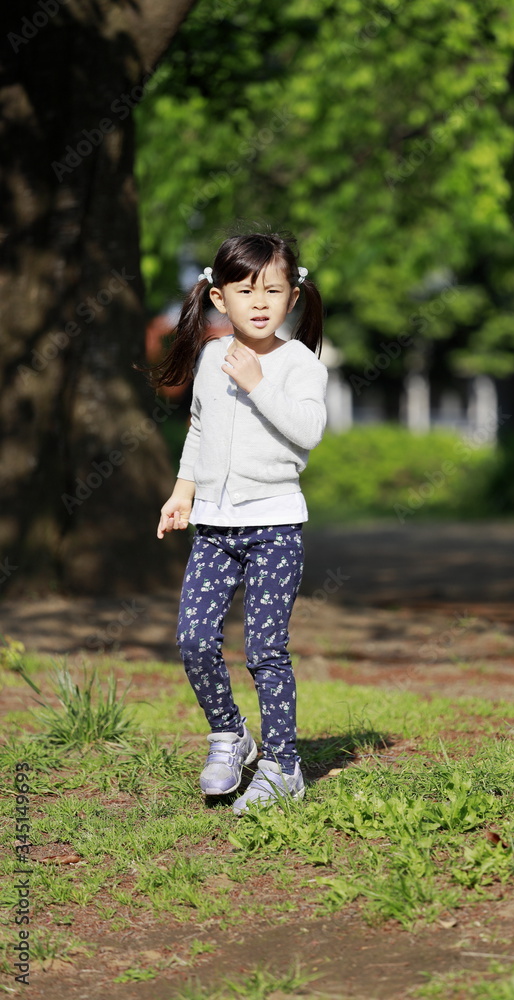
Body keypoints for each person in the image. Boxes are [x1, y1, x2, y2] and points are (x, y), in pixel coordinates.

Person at [151, 230, 328, 814]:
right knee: (194, 638)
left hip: (276, 527)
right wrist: (183, 492)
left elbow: (308, 431)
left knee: (265, 650)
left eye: (273, 291)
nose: (259, 302)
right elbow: (200, 428)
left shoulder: (300, 364)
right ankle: (229, 734)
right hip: (214, 529)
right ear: (218, 297)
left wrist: (258, 384)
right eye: (245, 290)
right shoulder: (210, 356)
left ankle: (282, 765)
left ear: (293, 297)